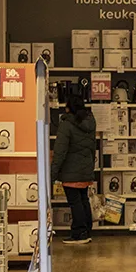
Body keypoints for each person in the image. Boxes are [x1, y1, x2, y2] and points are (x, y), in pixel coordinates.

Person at [51, 90, 98, 244]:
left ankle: (79, 234)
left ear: (68, 108)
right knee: (83, 199)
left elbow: (60, 151)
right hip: (85, 170)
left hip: (71, 172)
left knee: (75, 202)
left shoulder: (66, 125)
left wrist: (53, 172)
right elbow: (92, 147)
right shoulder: (90, 122)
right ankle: (87, 230)